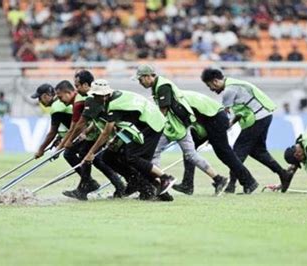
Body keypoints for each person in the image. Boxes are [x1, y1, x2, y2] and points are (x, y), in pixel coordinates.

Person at [134, 64, 228, 196]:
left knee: (154, 152)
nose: (140, 82)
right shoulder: (159, 85)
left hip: (173, 127)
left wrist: (151, 127)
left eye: (140, 79)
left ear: (148, 76)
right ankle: (219, 179)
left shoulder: (162, 87)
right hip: (180, 126)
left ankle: (159, 184)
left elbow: (163, 111)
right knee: (191, 155)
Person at [78, 79, 176, 201]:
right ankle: (139, 184)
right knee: (109, 155)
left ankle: (164, 178)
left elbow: (105, 133)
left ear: (104, 96)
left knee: (133, 158)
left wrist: (90, 154)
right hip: (136, 127)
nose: (94, 98)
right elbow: (124, 122)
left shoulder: (113, 105)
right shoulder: (112, 99)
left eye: (96, 96)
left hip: (151, 125)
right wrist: (116, 140)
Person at [201, 68, 293, 193]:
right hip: (264, 116)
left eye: (209, 85)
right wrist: (230, 125)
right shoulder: (233, 84)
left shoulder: (229, 90)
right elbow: (240, 112)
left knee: (237, 152)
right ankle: (283, 174)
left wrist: (216, 133)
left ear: (215, 81)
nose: (211, 89)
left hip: (257, 118)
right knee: (258, 151)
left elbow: (223, 116)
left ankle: (233, 185)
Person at [55, 72, 125, 200]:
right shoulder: (87, 98)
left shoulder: (85, 100)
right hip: (97, 132)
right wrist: (84, 133)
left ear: (86, 85)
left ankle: (90, 185)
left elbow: (78, 124)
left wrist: (66, 143)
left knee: (84, 155)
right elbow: (92, 121)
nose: (75, 89)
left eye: (77, 86)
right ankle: (93, 184)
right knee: (89, 156)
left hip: (103, 133)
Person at [31, 83, 73, 160]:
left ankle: (85, 172)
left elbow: (52, 132)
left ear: (45, 96)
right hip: (81, 133)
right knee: (70, 154)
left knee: (69, 154)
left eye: (39, 98)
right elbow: (68, 121)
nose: (40, 101)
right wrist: (59, 137)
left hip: (81, 134)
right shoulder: (59, 103)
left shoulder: (56, 107)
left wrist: (41, 149)